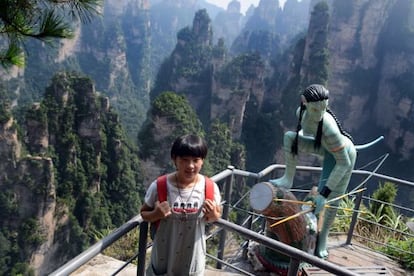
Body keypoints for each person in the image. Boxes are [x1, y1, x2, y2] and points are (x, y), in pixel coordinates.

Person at [269, 84, 357, 259]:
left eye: (324, 108)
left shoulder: (329, 128)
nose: (320, 114)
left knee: (331, 201)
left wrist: (323, 194)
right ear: (305, 103)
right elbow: (306, 134)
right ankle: (288, 178)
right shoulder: (300, 113)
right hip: (323, 146)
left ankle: (322, 238)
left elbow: (343, 163)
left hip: (343, 155)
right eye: (315, 109)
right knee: (289, 138)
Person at [140, 134, 222, 276]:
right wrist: (156, 214)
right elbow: (143, 213)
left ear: (202, 161)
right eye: (184, 160)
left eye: (196, 160)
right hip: (163, 259)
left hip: (193, 261)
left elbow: (217, 214)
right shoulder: (160, 186)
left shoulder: (209, 187)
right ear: (174, 160)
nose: (190, 166)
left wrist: (214, 215)